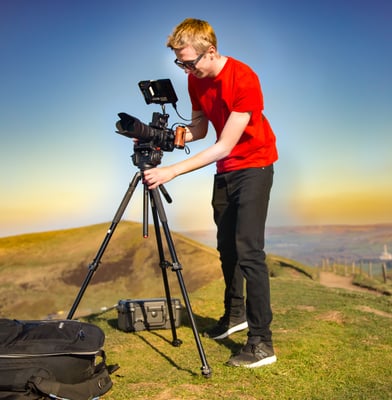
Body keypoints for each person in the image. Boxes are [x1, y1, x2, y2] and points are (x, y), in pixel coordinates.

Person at [143, 18, 278, 368]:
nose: (185, 69)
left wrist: (172, 171)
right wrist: (166, 137)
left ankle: (262, 342)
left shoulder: (244, 79)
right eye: (180, 63)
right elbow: (201, 129)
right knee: (227, 249)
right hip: (226, 171)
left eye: (189, 62)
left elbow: (224, 144)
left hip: (255, 166)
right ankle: (234, 317)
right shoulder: (194, 80)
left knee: (249, 251)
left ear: (211, 52)